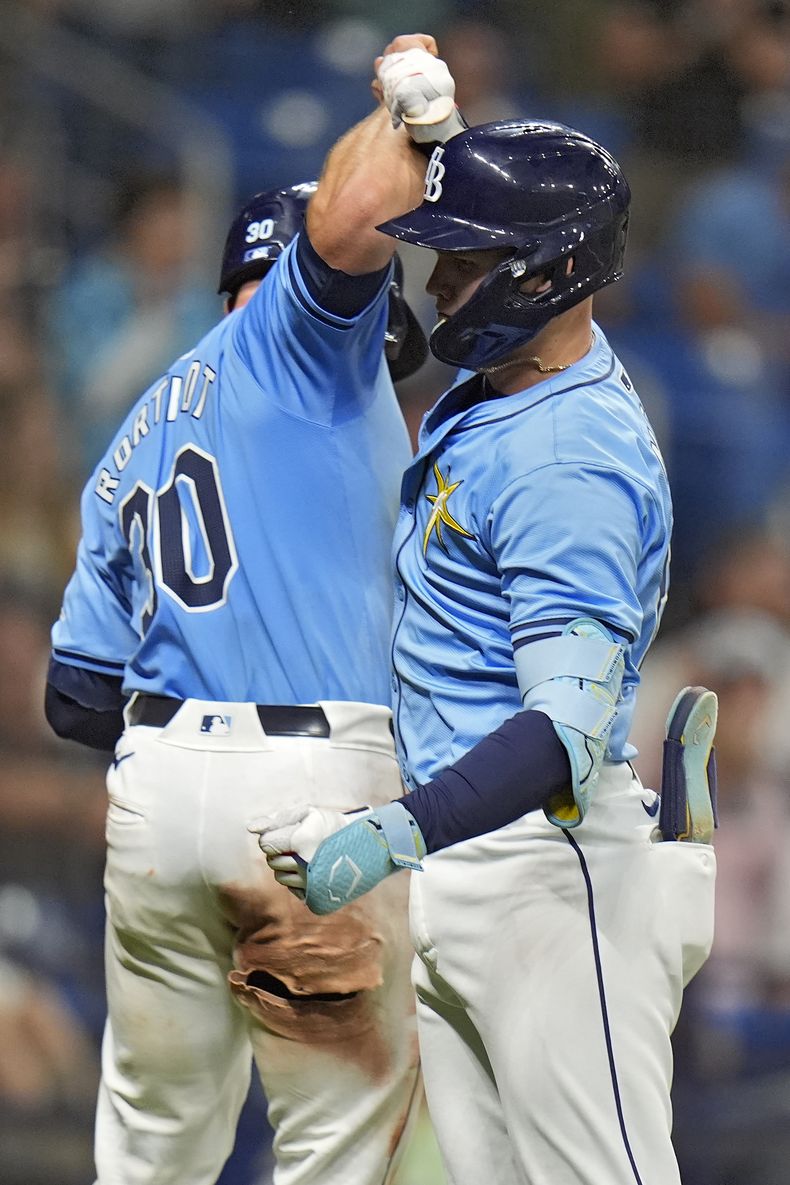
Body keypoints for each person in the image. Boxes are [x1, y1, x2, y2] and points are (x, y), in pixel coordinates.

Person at [255, 33, 719, 1185]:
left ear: (541, 276)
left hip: (545, 879)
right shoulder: (517, 374)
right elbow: (510, 219)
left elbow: (560, 735)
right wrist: (433, 124)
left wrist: (391, 833)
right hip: (471, 865)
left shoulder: (570, 460)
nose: (437, 284)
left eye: (464, 266)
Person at [44, 132, 432, 1185]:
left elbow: (77, 696)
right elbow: (353, 219)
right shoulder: (302, 342)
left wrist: (204, 708)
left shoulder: (132, 434)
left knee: (152, 1145)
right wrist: (404, 107)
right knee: (339, 1145)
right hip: (312, 791)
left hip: (157, 791)